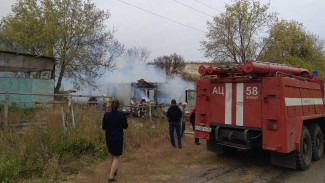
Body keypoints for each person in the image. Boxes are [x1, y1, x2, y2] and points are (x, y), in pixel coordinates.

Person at [102, 99, 128, 182]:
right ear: (118, 106)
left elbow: (103, 127)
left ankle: (114, 170)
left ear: (111, 106)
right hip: (117, 138)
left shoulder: (106, 115)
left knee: (112, 155)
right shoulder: (121, 115)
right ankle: (111, 177)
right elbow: (125, 126)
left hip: (109, 137)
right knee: (116, 156)